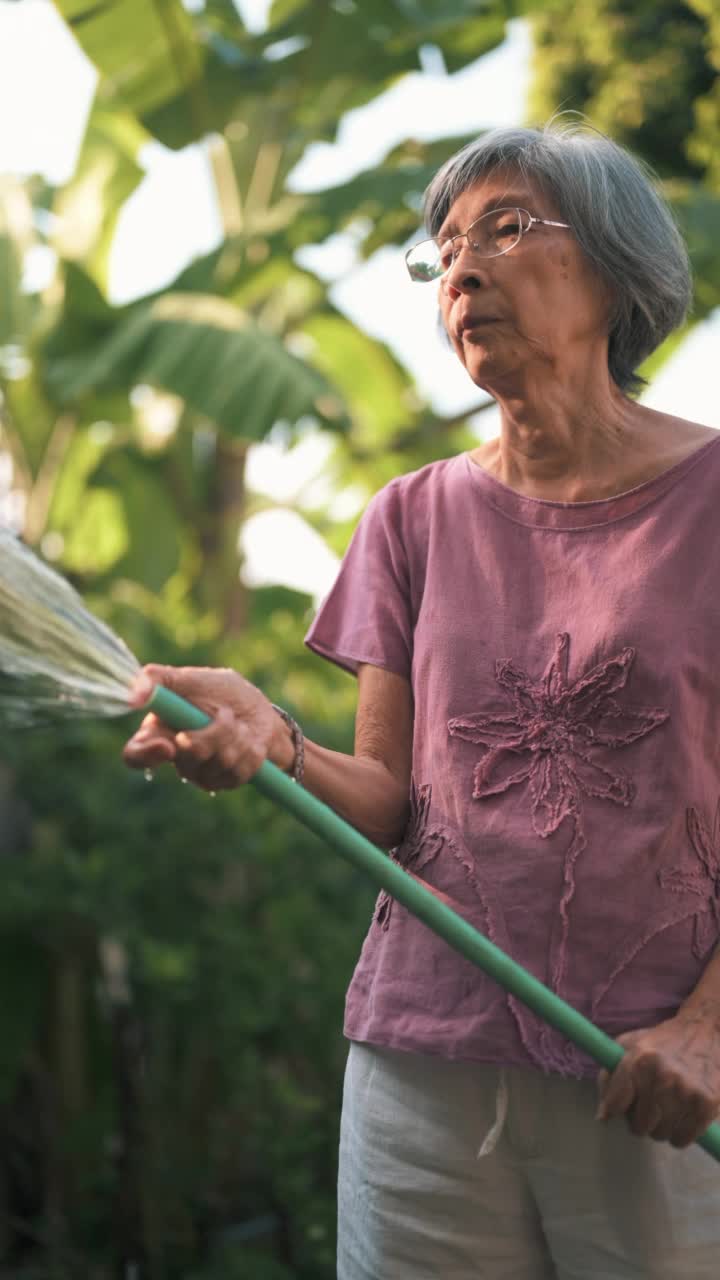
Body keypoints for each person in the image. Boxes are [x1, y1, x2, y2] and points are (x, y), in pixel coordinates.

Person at [124, 121, 720, 1278]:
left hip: (656, 1074)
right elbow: (394, 806)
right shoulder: (411, 515)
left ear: (614, 269)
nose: (462, 269)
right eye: (443, 249)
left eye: (504, 229)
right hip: (423, 1066)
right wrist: (273, 738)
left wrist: (708, 1027)